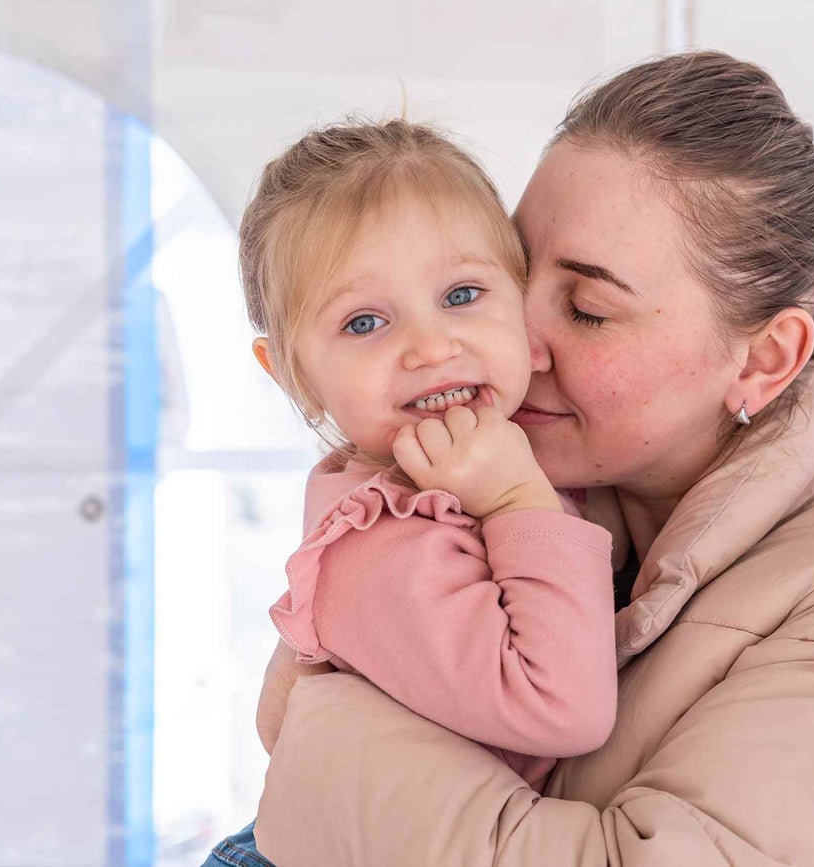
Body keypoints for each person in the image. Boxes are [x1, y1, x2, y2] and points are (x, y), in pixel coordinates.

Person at [212, 51, 814, 866]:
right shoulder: (497, 511)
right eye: (507, 278)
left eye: (585, 308)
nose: (504, 345)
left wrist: (319, 728)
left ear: (761, 359)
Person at [235, 120, 620, 803]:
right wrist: (517, 502)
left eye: (462, 295)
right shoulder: (381, 544)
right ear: (295, 376)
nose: (431, 346)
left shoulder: (520, 453)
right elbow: (563, 708)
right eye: (364, 322)